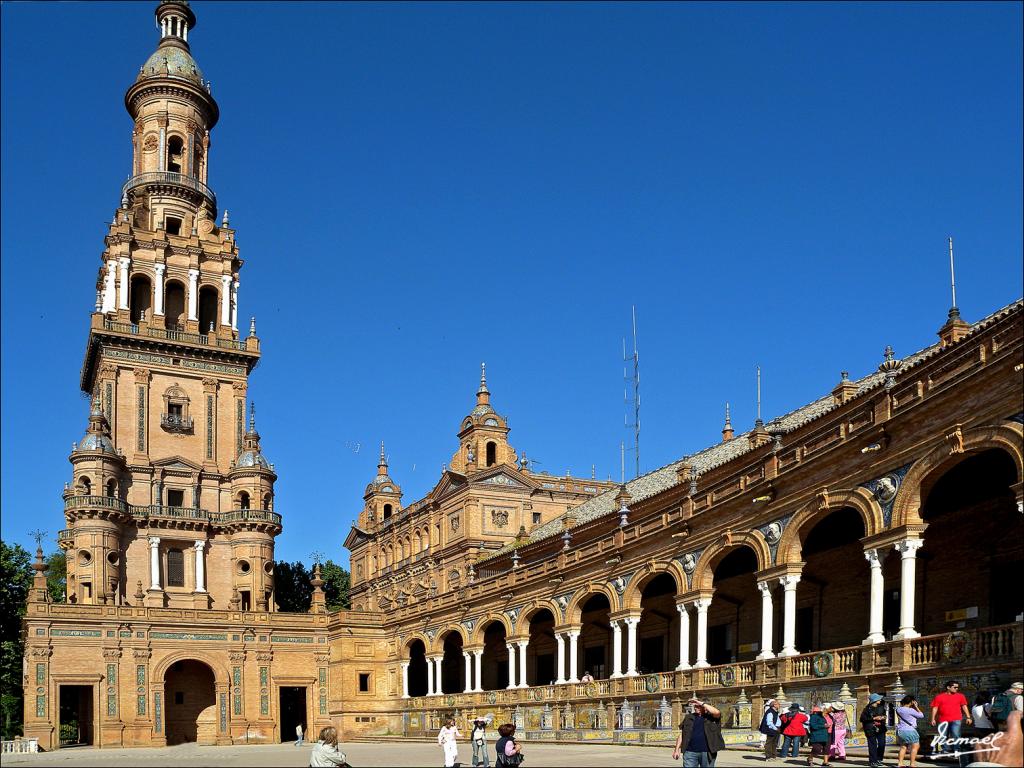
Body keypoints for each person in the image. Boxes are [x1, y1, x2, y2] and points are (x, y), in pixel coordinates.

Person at [673, 698, 725, 767]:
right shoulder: (689, 717)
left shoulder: (712, 717)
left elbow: (717, 712)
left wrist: (700, 702)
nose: (695, 708)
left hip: (707, 752)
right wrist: (676, 750)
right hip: (690, 752)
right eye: (695, 706)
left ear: (705, 707)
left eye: (698, 706)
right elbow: (682, 734)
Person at [931, 680, 972, 754]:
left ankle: (957, 750)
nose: (957, 689)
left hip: (956, 719)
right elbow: (935, 708)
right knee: (943, 736)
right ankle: (945, 750)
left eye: (957, 687)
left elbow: (964, 706)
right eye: (955, 687)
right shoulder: (939, 697)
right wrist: (933, 719)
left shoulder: (961, 696)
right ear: (948, 687)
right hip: (943, 720)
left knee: (956, 735)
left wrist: (968, 717)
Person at [896, 695, 924, 768]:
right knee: (915, 747)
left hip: (901, 730)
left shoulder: (898, 709)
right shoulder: (911, 710)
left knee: (903, 747)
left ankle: (900, 763)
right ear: (911, 702)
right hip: (910, 730)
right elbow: (921, 715)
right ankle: (912, 764)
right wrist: (916, 707)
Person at [861, 693, 888, 768]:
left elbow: (884, 715)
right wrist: (874, 718)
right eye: (879, 699)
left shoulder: (881, 707)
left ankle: (879, 759)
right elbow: (862, 719)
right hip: (870, 729)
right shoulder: (867, 709)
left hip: (881, 728)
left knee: (882, 744)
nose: (880, 700)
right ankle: (873, 761)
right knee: (872, 745)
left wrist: (883, 717)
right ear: (875, 700)